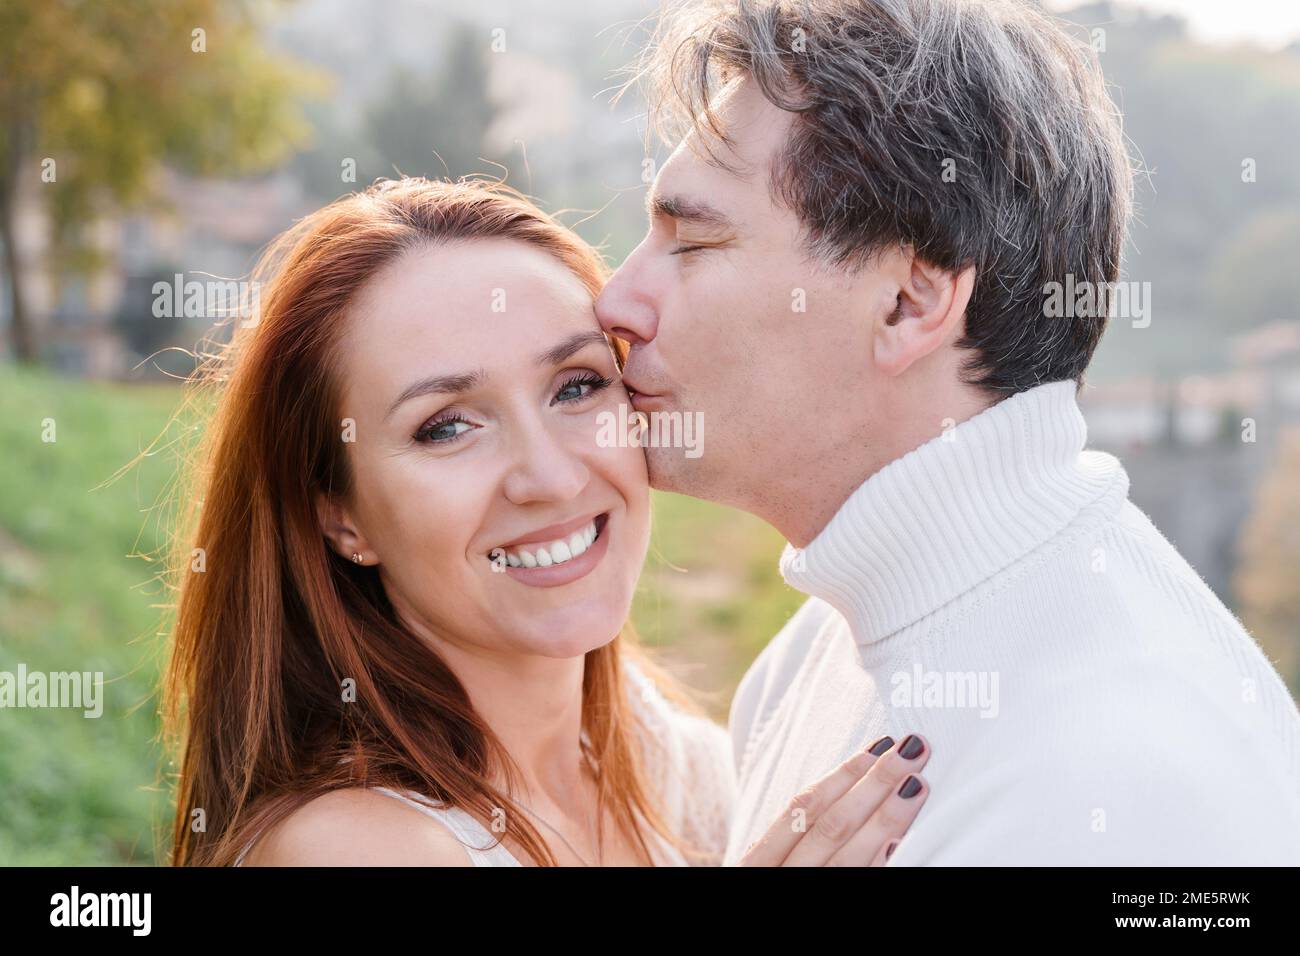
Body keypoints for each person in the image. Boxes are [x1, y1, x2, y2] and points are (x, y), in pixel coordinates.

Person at [595, 0, 1300, 864]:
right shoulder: (811, 659)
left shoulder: (1111, 781)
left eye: (693, 241)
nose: (615, 303)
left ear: (909, 302)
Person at [162, 176, 931, 867]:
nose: (552, 477)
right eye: (447, 426)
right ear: (339, 517)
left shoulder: (679, 766)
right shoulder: (353, 847)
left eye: (576, 387)